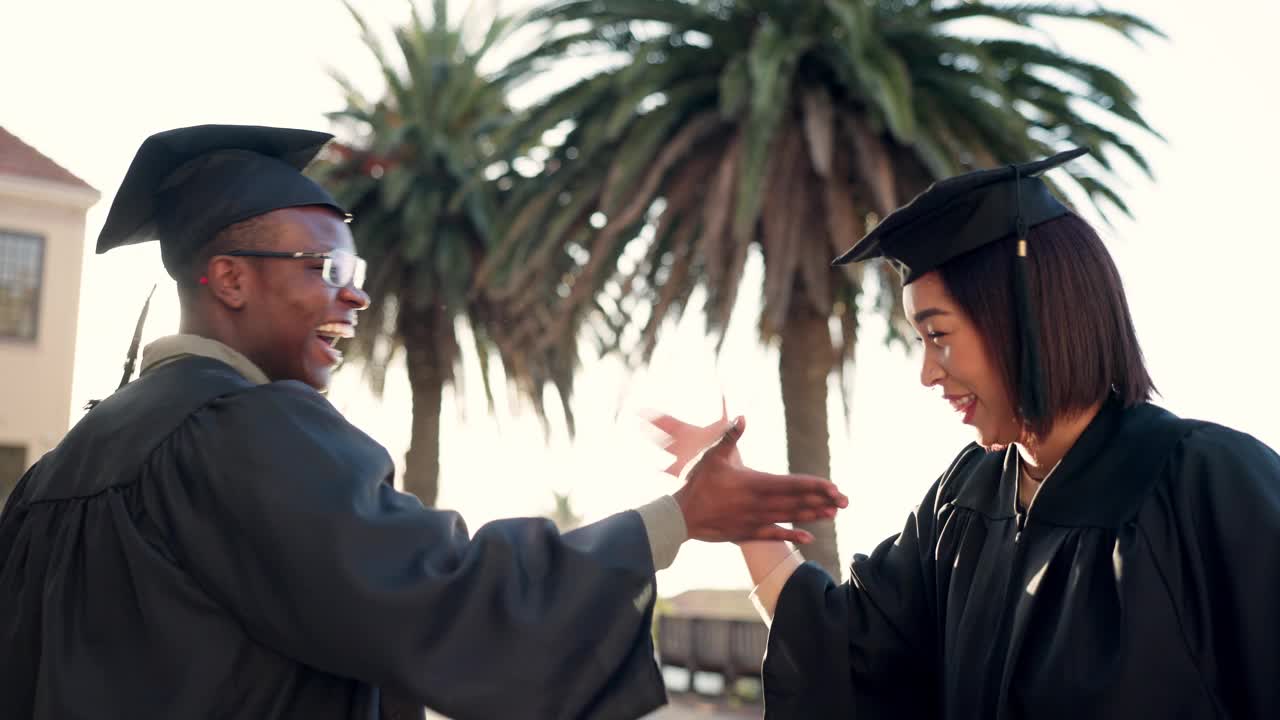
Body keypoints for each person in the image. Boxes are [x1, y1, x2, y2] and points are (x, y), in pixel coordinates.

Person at [0, 124, 848, 720]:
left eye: (356, 267)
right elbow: (448, 597)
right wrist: (679, 518)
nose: (357, 292)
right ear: (227, 278)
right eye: (326, 266)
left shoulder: (58, 470)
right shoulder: (244, 431)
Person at [655, 149, 1280, 718]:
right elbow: (849, 657)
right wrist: (743, 514)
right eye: (920, 341)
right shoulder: (965, 498)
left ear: (1024, 316)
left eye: (940, 336)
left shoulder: (1208, 483)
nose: (928, 373)